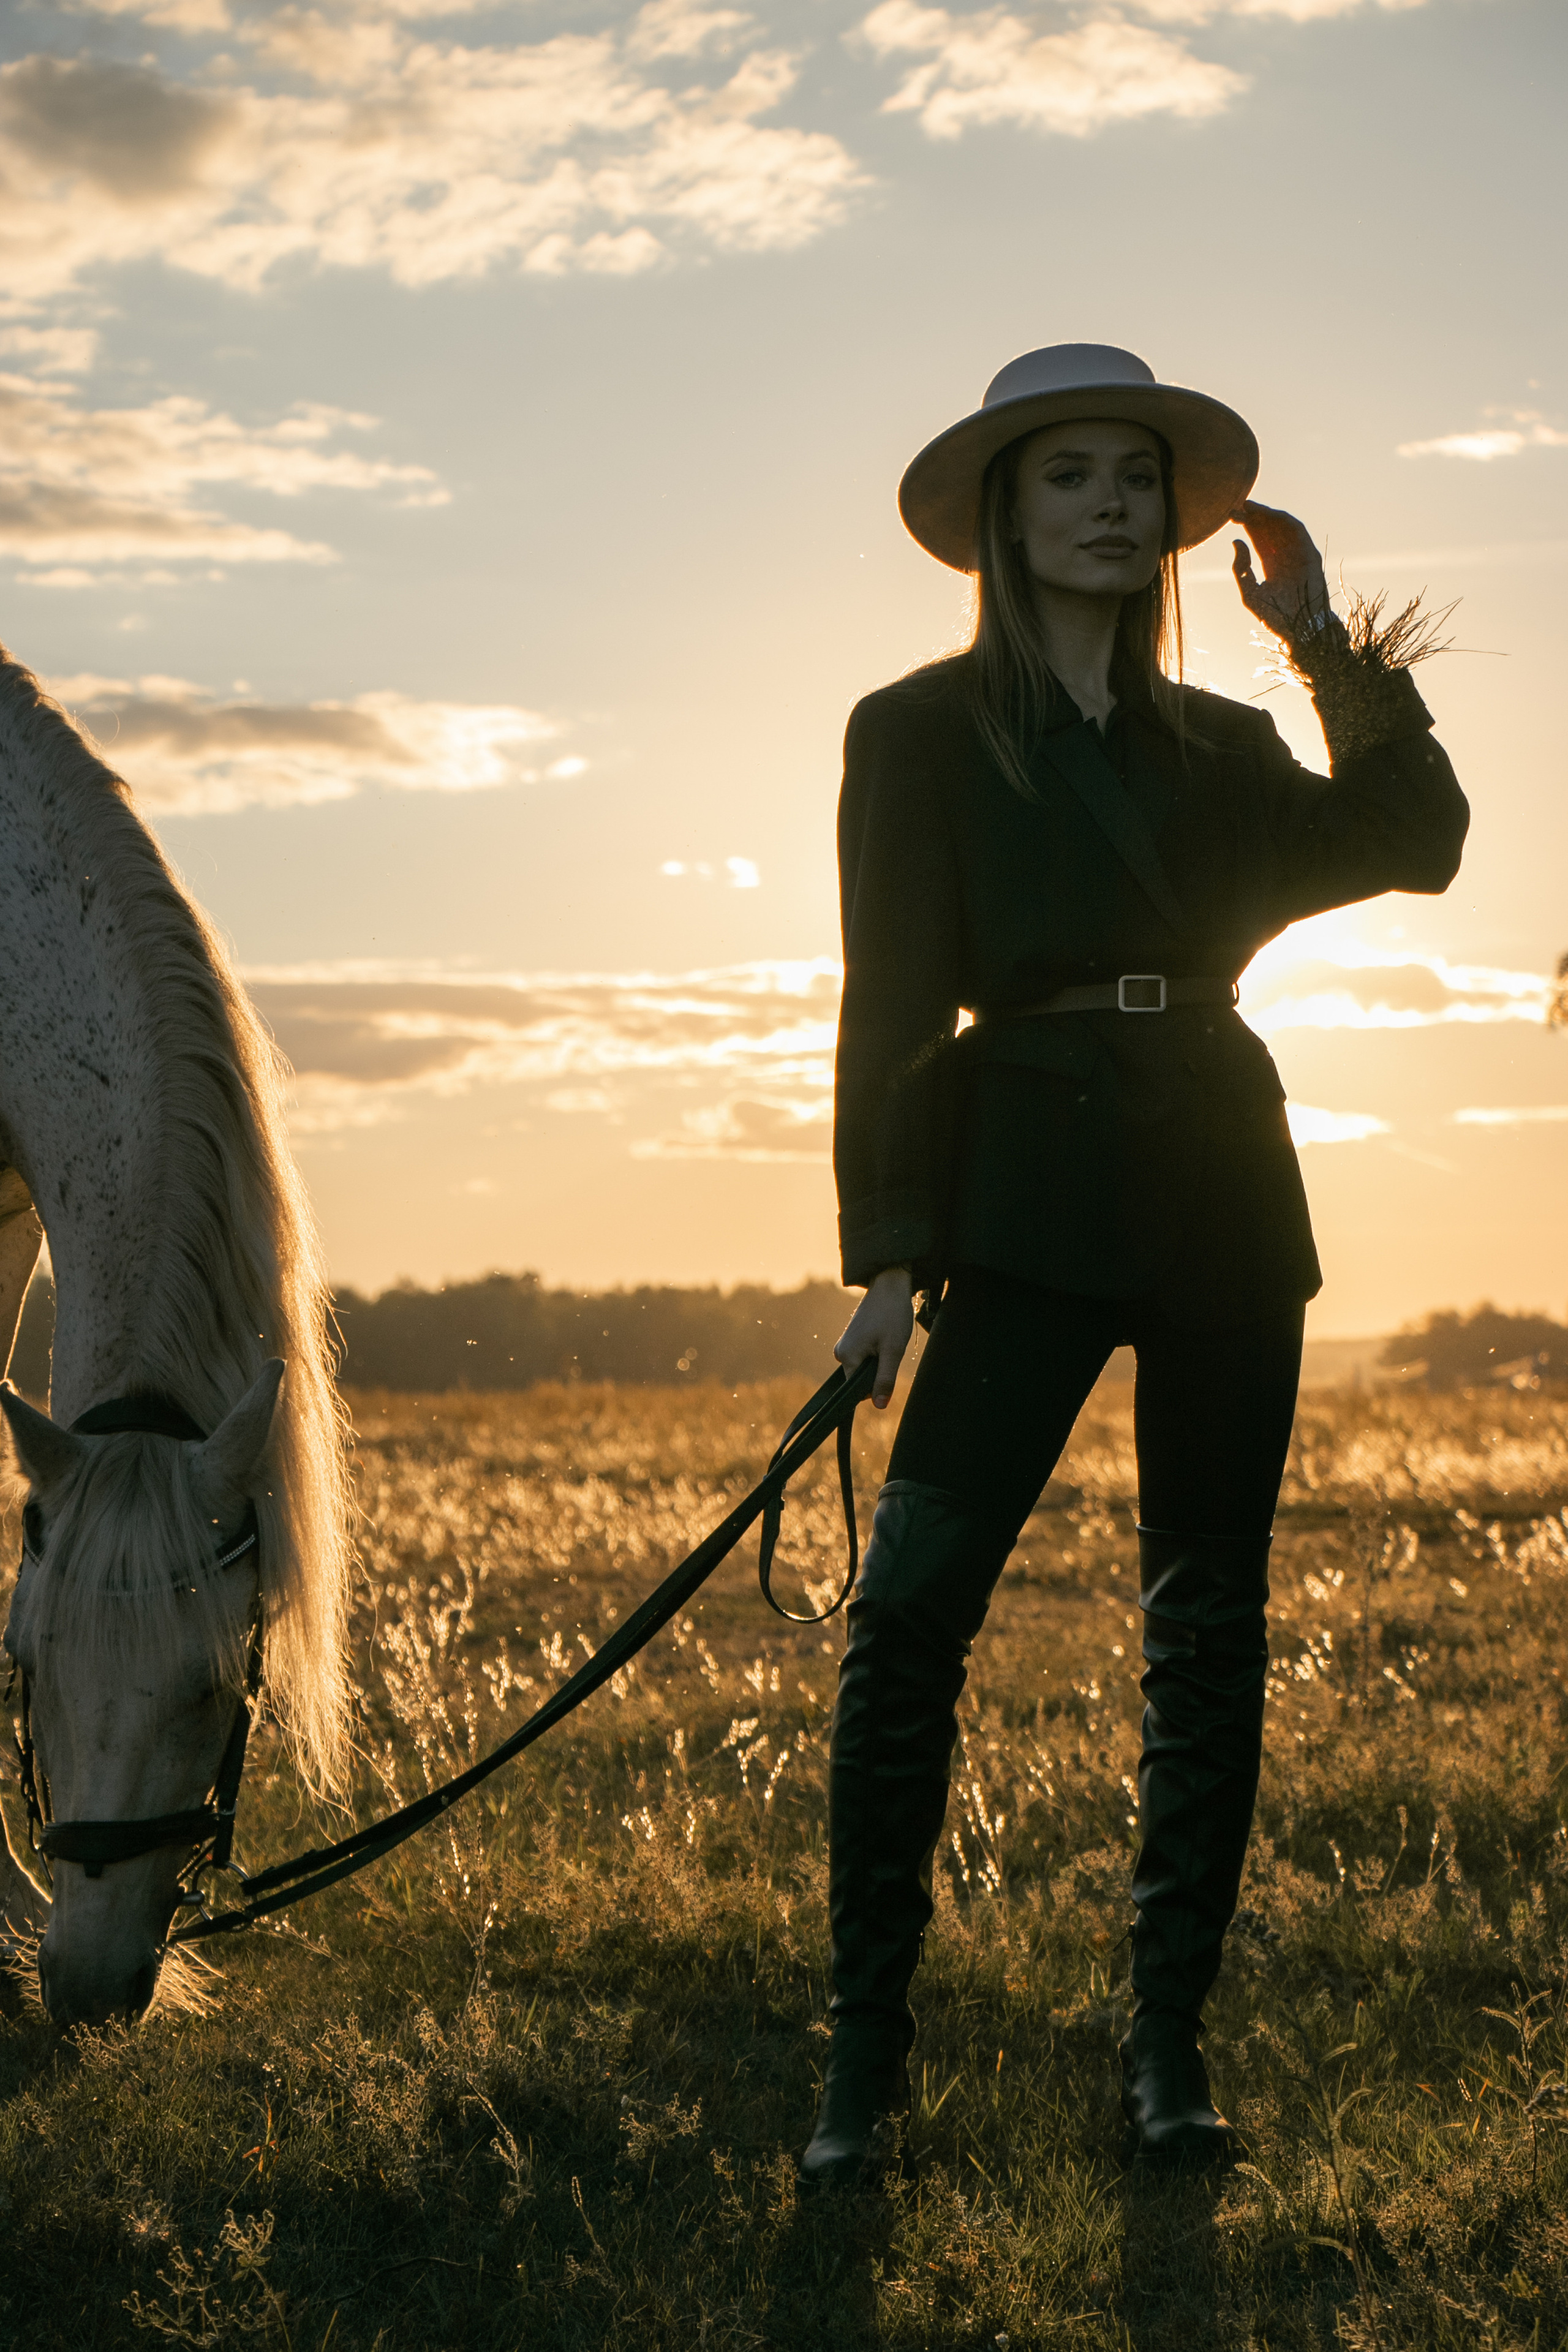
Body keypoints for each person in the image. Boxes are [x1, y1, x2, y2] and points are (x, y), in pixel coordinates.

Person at [803, 342, 1468, 2184]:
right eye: (1066, 476)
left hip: (1227, 1205)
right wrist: (885, 1256)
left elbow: (1421, 842)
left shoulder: (1233, 748)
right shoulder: (915, 734)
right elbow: (884, 1006)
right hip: (1015, 1202)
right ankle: (865, 2062)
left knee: (1207, 1633)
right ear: (1005, 518)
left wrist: (1325, 641)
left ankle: (1164, 2048)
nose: (1106, 502)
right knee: (909, 1626)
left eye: (1129, 476)